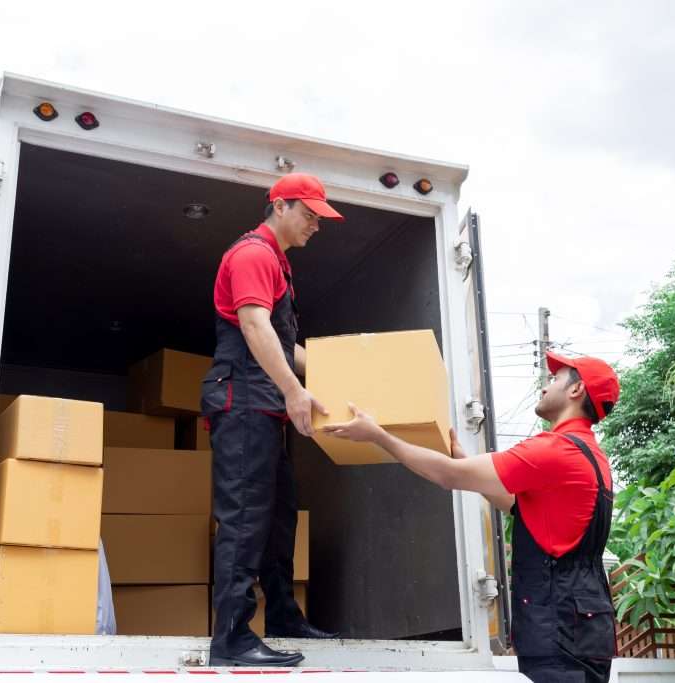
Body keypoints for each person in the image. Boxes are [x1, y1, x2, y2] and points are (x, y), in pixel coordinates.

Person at [323, 351, 620, 682]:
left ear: (576, 391)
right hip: (583, 625)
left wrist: (378, 436)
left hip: (561, 629)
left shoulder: (554, 450)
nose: (545, 387)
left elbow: (449, 476)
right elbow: (521, 509)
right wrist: (468, 465)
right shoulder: (591, 456)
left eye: (555, 379)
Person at [201, 173, 342, 668]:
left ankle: (282, 614)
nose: (315, 225)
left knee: (278, 516)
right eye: (309, 214)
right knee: (244, 520)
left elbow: (283, 346)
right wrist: (292, 389)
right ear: (279, 206)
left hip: (262, 409)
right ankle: (232, 640)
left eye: (319, 218)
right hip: (242, 405)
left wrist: (340, 374)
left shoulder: (275, 262)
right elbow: (254, 326)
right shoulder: (253, 255)